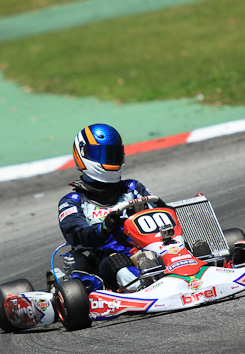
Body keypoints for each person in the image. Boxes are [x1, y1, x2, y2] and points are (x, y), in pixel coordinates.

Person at [56, 124, 165, 292]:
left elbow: (159, 215)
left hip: (149, 248)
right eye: (104, 155)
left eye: (114, 155)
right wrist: (103, 228)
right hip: (105, 261)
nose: (110, 160)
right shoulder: (72, 201)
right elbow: (77, 235)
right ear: (83, 154)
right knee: (116, 262)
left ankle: (188, 266)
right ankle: (140, 286)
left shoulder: (132, 188)